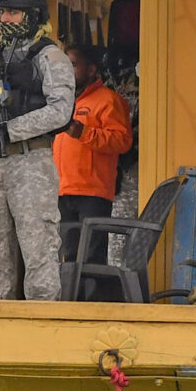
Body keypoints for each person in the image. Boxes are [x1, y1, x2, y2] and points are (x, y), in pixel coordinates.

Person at [0, 0, 75, 299]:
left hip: (31, 161)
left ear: (32, 15)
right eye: (1, 13)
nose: (5, 19)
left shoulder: (50, 56)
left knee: (38, 246)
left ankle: (42, 323)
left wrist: (10, 129)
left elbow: (61, 111)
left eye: (14, 13)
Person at [55, 43, 134, 298]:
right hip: (62, 189)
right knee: (68, 254)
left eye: (74, 64)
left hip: (93, 191)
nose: (68, 70)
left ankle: (96, 306)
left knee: (91, 256)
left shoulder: (109, 100)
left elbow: (122, 141)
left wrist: (85, 133)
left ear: (91, 70)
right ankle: (72, 304)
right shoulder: (59, 102)